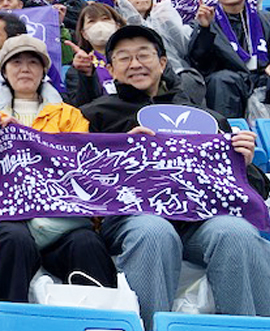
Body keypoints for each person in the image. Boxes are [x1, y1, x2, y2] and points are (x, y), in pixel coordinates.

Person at [80, 25, 270, 330]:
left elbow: (252, 188)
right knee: (154, 232)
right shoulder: (92, 115)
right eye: (124, 58)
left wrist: (243, 164)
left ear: (163, 63)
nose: (136, 64)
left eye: (144, 55)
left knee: (236, 232)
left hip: (200, 221)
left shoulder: (204, 118)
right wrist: (118, 157)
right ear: (110, 68)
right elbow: (78, 177)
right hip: (133, 218)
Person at [0, 35, 116, 303]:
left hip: (61, 220)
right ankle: (3, 322)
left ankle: (98, 320)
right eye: (16, 62)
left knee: (88, 244)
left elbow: (85, 169)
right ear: (4, 70)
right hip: (4, 218)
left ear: (43, 71)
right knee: (14, 241)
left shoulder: (70, 116)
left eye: (33, 62)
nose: (25, 68)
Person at [188, 0, 270, 117]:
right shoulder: (207, 21)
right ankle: (228, 133)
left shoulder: (265, 18)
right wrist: (205, 30)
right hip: (230, 79)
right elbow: (199, 61)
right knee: (221, 80)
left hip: (262, 77)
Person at [116, 0, 205, 105]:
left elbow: (184, 48)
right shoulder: (119, 25)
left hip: (177, 73)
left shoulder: (163, 16)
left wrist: (169, 22)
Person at [64, 3, 125, 107]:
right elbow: (80, 106)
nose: (100, 25)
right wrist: (86, 75)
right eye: (92, 21)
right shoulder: (77, 70)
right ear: (84, 34)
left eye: (105, 19)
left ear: (117, 26)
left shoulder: (136, 59)